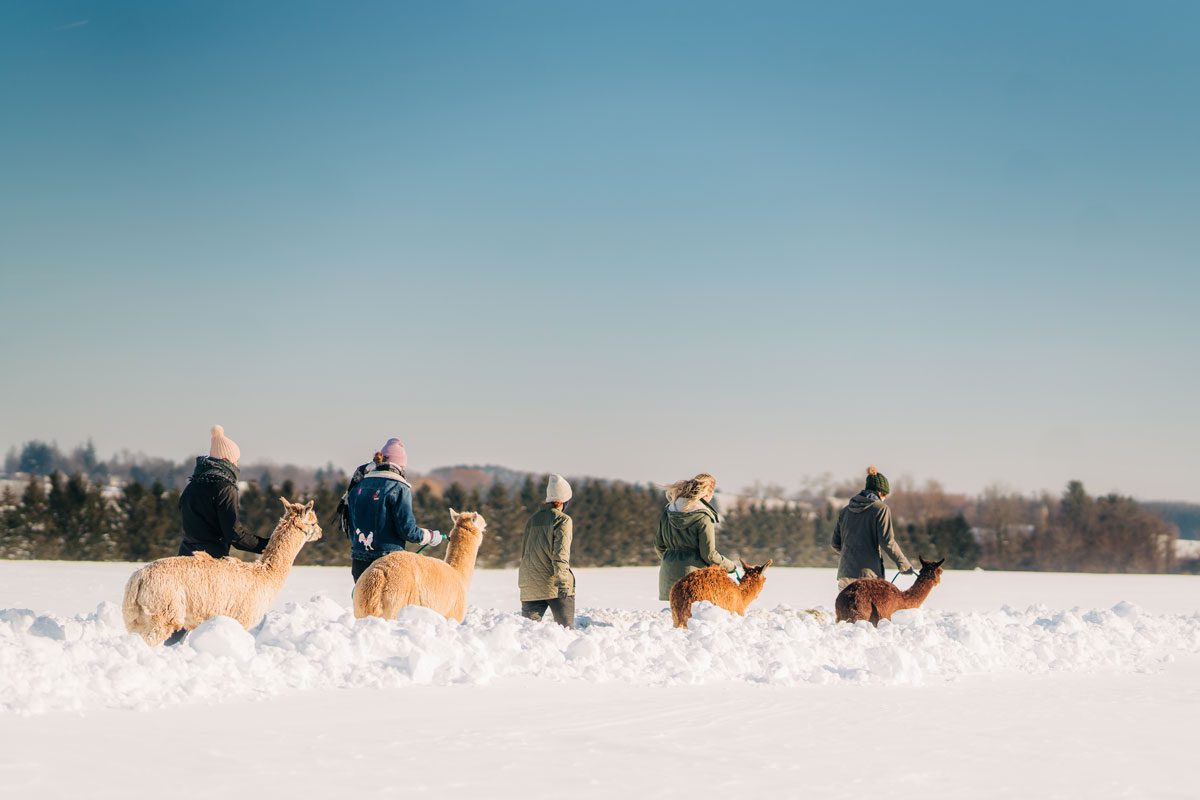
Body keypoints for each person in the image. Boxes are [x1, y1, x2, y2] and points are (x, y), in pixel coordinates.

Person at [346, 437, 442, 582]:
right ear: (400, 465)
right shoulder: (399, 488)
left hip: (359, 561)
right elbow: (407, 531)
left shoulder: (358, 486)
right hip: (388, 562)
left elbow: (352, 527)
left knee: (365, 605)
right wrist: (430, 536)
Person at [178, 425, 269, 558]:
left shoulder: (191, 485)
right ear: (227, 460)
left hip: (184, 559)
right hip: (209, 562)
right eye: (236, 460)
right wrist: (267, 545)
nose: (237, 465)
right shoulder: (225, 489)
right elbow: (234, 535)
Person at [655, 472, 738, 602]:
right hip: (694, 581)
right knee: (697, 620)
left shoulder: (668, 511)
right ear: (707, 493)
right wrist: (730, 566)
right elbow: (709, 555)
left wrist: (672, 561)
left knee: (672, 619)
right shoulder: (703, 516)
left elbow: (659, 546)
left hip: (668, 577)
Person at [831, 465, 914, 590]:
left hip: (845, 575)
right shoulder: (880, 509)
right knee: (870, 610)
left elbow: (835, 543)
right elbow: (888, 542)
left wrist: (852, 555)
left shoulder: (845, 511)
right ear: (880, 492)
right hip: (868, 578)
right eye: (885, 495)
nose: (885, 498)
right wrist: (904, 565)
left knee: (847, 610)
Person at [518, 474, 576, 628]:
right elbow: (560, 555)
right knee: (566, 632)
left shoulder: (532, 519)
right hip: (554, 586)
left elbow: (524, 553)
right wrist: (563, 583)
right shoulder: (563, 520)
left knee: (527, 635)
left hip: (530, 586)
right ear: (564, 501)